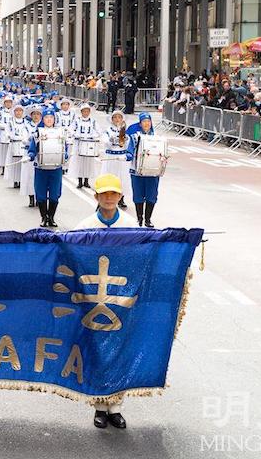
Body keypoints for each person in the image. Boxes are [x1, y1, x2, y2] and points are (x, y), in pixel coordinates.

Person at [73, 173, 137, 429]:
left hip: (122, 300)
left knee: (120, 351)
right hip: (93, 299)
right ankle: (100, 407)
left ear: (120, 196)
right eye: (105, 194)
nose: (109, 198)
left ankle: (117, 407)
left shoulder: (132, 227)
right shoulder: (84, 228)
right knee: (98, 351)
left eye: (114, 194)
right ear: (96, 196)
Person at [27, 107, 66, 228]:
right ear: (43, 119)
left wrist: (66, 155)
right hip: (41, 168)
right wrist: (30, 155)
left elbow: (64, 148)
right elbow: (32, 148)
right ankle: (44, 217)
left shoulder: (60, 132)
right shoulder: (38, 132)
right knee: (41, 193)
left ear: (54, 119)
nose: (49, 120)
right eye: (46, 118)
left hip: (56, 168)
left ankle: (52, 217)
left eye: (51, 118)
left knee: (55, 194)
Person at [126, 112, 160, 227]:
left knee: (152, 195)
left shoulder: (156, 137)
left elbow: (162, 150)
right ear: (140, 123)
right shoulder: (135, 136)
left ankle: (148, 219)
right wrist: (129, 154)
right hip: (137, 171)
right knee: (138, 194)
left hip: (152, 171)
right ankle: (139, 219)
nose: (147, 124)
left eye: (148, 121)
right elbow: (130, 148)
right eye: (144, 122)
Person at [101, 110, 131, 209]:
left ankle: (121, 198)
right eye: (115, 117)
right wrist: (112, 140)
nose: (117, 119)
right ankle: (109, 197)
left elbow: (127, 144)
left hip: (121, 157)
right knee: (110, 177)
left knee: (122, 178)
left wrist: (124, 138)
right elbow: (106, 142)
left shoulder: (125, 131)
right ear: (112, 119)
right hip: (111, 157)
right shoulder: (108, 130)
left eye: (119, 117)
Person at [69, 104, 101, 189]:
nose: (86, 113)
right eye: (84, 111)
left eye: (87, 111)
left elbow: (99, 131)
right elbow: (70, 130)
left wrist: (93, 136)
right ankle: (80, 181)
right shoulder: (77, 121)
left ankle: (86, 181)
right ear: (81, 112)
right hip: (79, 143)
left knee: (88, 163)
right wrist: (76, 135)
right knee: (79, 162)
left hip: (89, 144)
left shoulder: (93, 121)